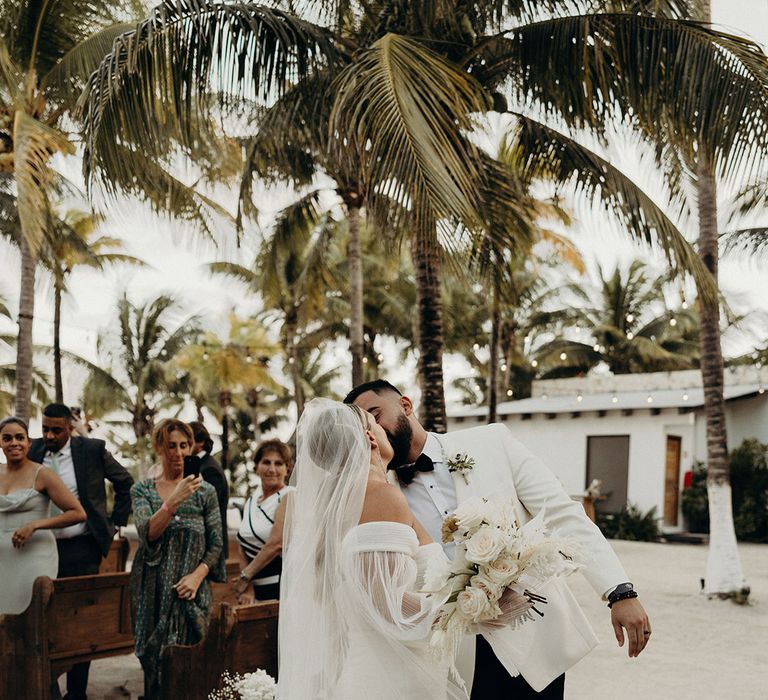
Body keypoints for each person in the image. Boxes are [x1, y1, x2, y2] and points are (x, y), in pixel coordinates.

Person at [345, 380, 652, 700]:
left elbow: (563, 513)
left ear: (406, 406)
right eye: (363, 427)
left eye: (375, 414)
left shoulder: (491, 442)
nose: (373, 430)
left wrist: (619, 591)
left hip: (531, 636)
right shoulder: (379, 496)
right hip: (450, 653)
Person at [277, 399, 468, 700]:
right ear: (367, 437)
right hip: (392, 680)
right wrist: (469, 607)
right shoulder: (379, 496)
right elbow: (386, 604)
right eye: (375, 422)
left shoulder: (338, 506)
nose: (384, 429)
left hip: (383, 668)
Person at [28, 402, 134, 700]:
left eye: (56, 430)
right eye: (45, 429)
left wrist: (114, 524)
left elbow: (125, 482)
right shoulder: (32, 450)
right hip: (40, 549)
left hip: (83, 549)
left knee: (80, 621)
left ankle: (76, 694)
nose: (49, 435)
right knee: (44, 620)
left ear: (70, 428)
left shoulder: (92, 449)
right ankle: (47, 689)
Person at [130, 419, 226, 699]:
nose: (178, 452)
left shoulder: (205, 491)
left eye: (184, 445)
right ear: (159, 447)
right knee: (155, 667)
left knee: (191, 665)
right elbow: (147, 532)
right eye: (171, 445)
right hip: (152, 590)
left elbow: (216, 542)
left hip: (191, 590)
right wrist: (173, 500)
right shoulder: (143, 490)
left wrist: (197, 577)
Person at [0, 417, 86, 615]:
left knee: (32, 616)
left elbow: (78, 513)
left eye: (19, 438)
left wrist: (35, 525)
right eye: (7, 438)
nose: (14, 443)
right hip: (2, 560)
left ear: (29, 442)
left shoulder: (43, 474)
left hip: (34, 557)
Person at [233, 439, 294, 604]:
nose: (272, 469)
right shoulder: (251, 501)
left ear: (287, 469)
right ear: (256, 467)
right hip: (254, 591)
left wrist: (245, 576)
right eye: (266, 462)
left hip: (282, 588)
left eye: (279, 463)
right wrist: (248, 587)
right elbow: (242, 545)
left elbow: (277, 543)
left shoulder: (290, 496)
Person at [189, 421, 229, 560]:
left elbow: (209, 508)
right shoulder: (197, 465)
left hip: (210, 547)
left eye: (188, 440)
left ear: (200, 443)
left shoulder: (210, 469)